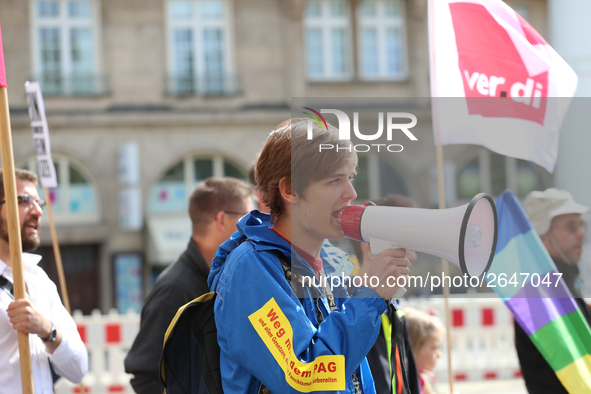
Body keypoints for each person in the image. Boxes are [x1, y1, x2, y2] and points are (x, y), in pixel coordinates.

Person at [208, 118, 412, 393]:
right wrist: (371, 296)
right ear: (290, 190)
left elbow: (346, 373)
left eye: (350, 178)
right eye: (334, 181)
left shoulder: (324, 266)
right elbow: (305, 377)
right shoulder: (250, 270)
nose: (351, 193)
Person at [124, 177, 254, 394]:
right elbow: (145, 376)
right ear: (221, 220)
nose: (255, 227)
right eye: (249, 218)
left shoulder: (230, 278)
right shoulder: (174, 289)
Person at [0, 168, 88, 394]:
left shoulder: (39, 279)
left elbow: (78, 369)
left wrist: (46, 329)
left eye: (39, 202)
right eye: (25, 200)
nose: (38, 211)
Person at [517, 188, 590, 394]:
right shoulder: (542, 293)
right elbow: (575, 368)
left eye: (581, 224)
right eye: (572, 226)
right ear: (542, 237)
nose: (582, 233)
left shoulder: (559, 284)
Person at [349, 194, 421, 394]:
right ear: (371, 246)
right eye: (405, 245)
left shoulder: (395, 309)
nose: (413, 256)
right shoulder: (342, 311)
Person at [405, 308, 444, 394]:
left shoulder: (420, 381)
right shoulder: (406, 385)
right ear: (413, 348)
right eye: (434, 348)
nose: (439, 355)